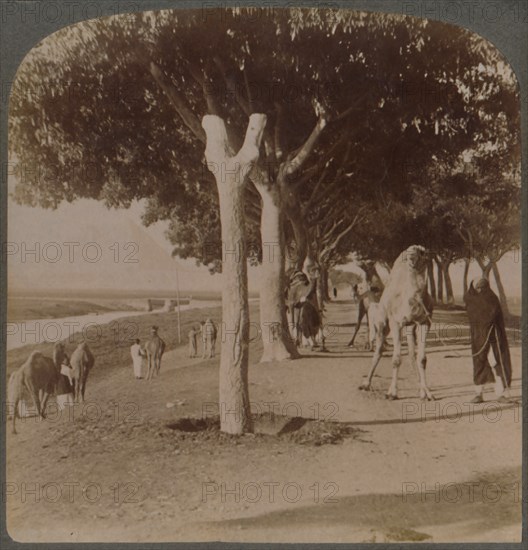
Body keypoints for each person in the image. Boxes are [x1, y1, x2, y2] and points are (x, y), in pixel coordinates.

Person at [464, 277, 512, 403]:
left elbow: (493, 315)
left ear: (486, 287)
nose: (479, 290)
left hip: (493, 336)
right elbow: (472, 315)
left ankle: (502, 394)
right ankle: (479, 394)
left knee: (496, 361)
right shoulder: (469, 298)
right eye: (477, 288)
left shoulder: (492, 298)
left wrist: (488, 327)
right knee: (479, 362)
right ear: (473, 288)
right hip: (477, 337)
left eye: (482, 287)